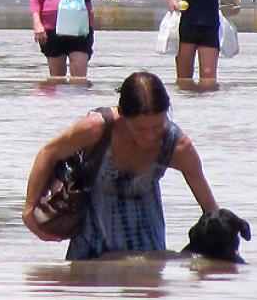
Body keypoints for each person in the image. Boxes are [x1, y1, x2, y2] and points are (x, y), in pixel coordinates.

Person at [22, 71, 221, 260]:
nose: (150, 136)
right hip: (91, 238)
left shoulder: (177, 146)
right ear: (123, 114)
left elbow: (210, 209)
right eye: (140, 128)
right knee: (81, 294)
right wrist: (29, 209)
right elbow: (48, 153)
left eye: (157, 127)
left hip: (147, 247)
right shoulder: (96, 128)